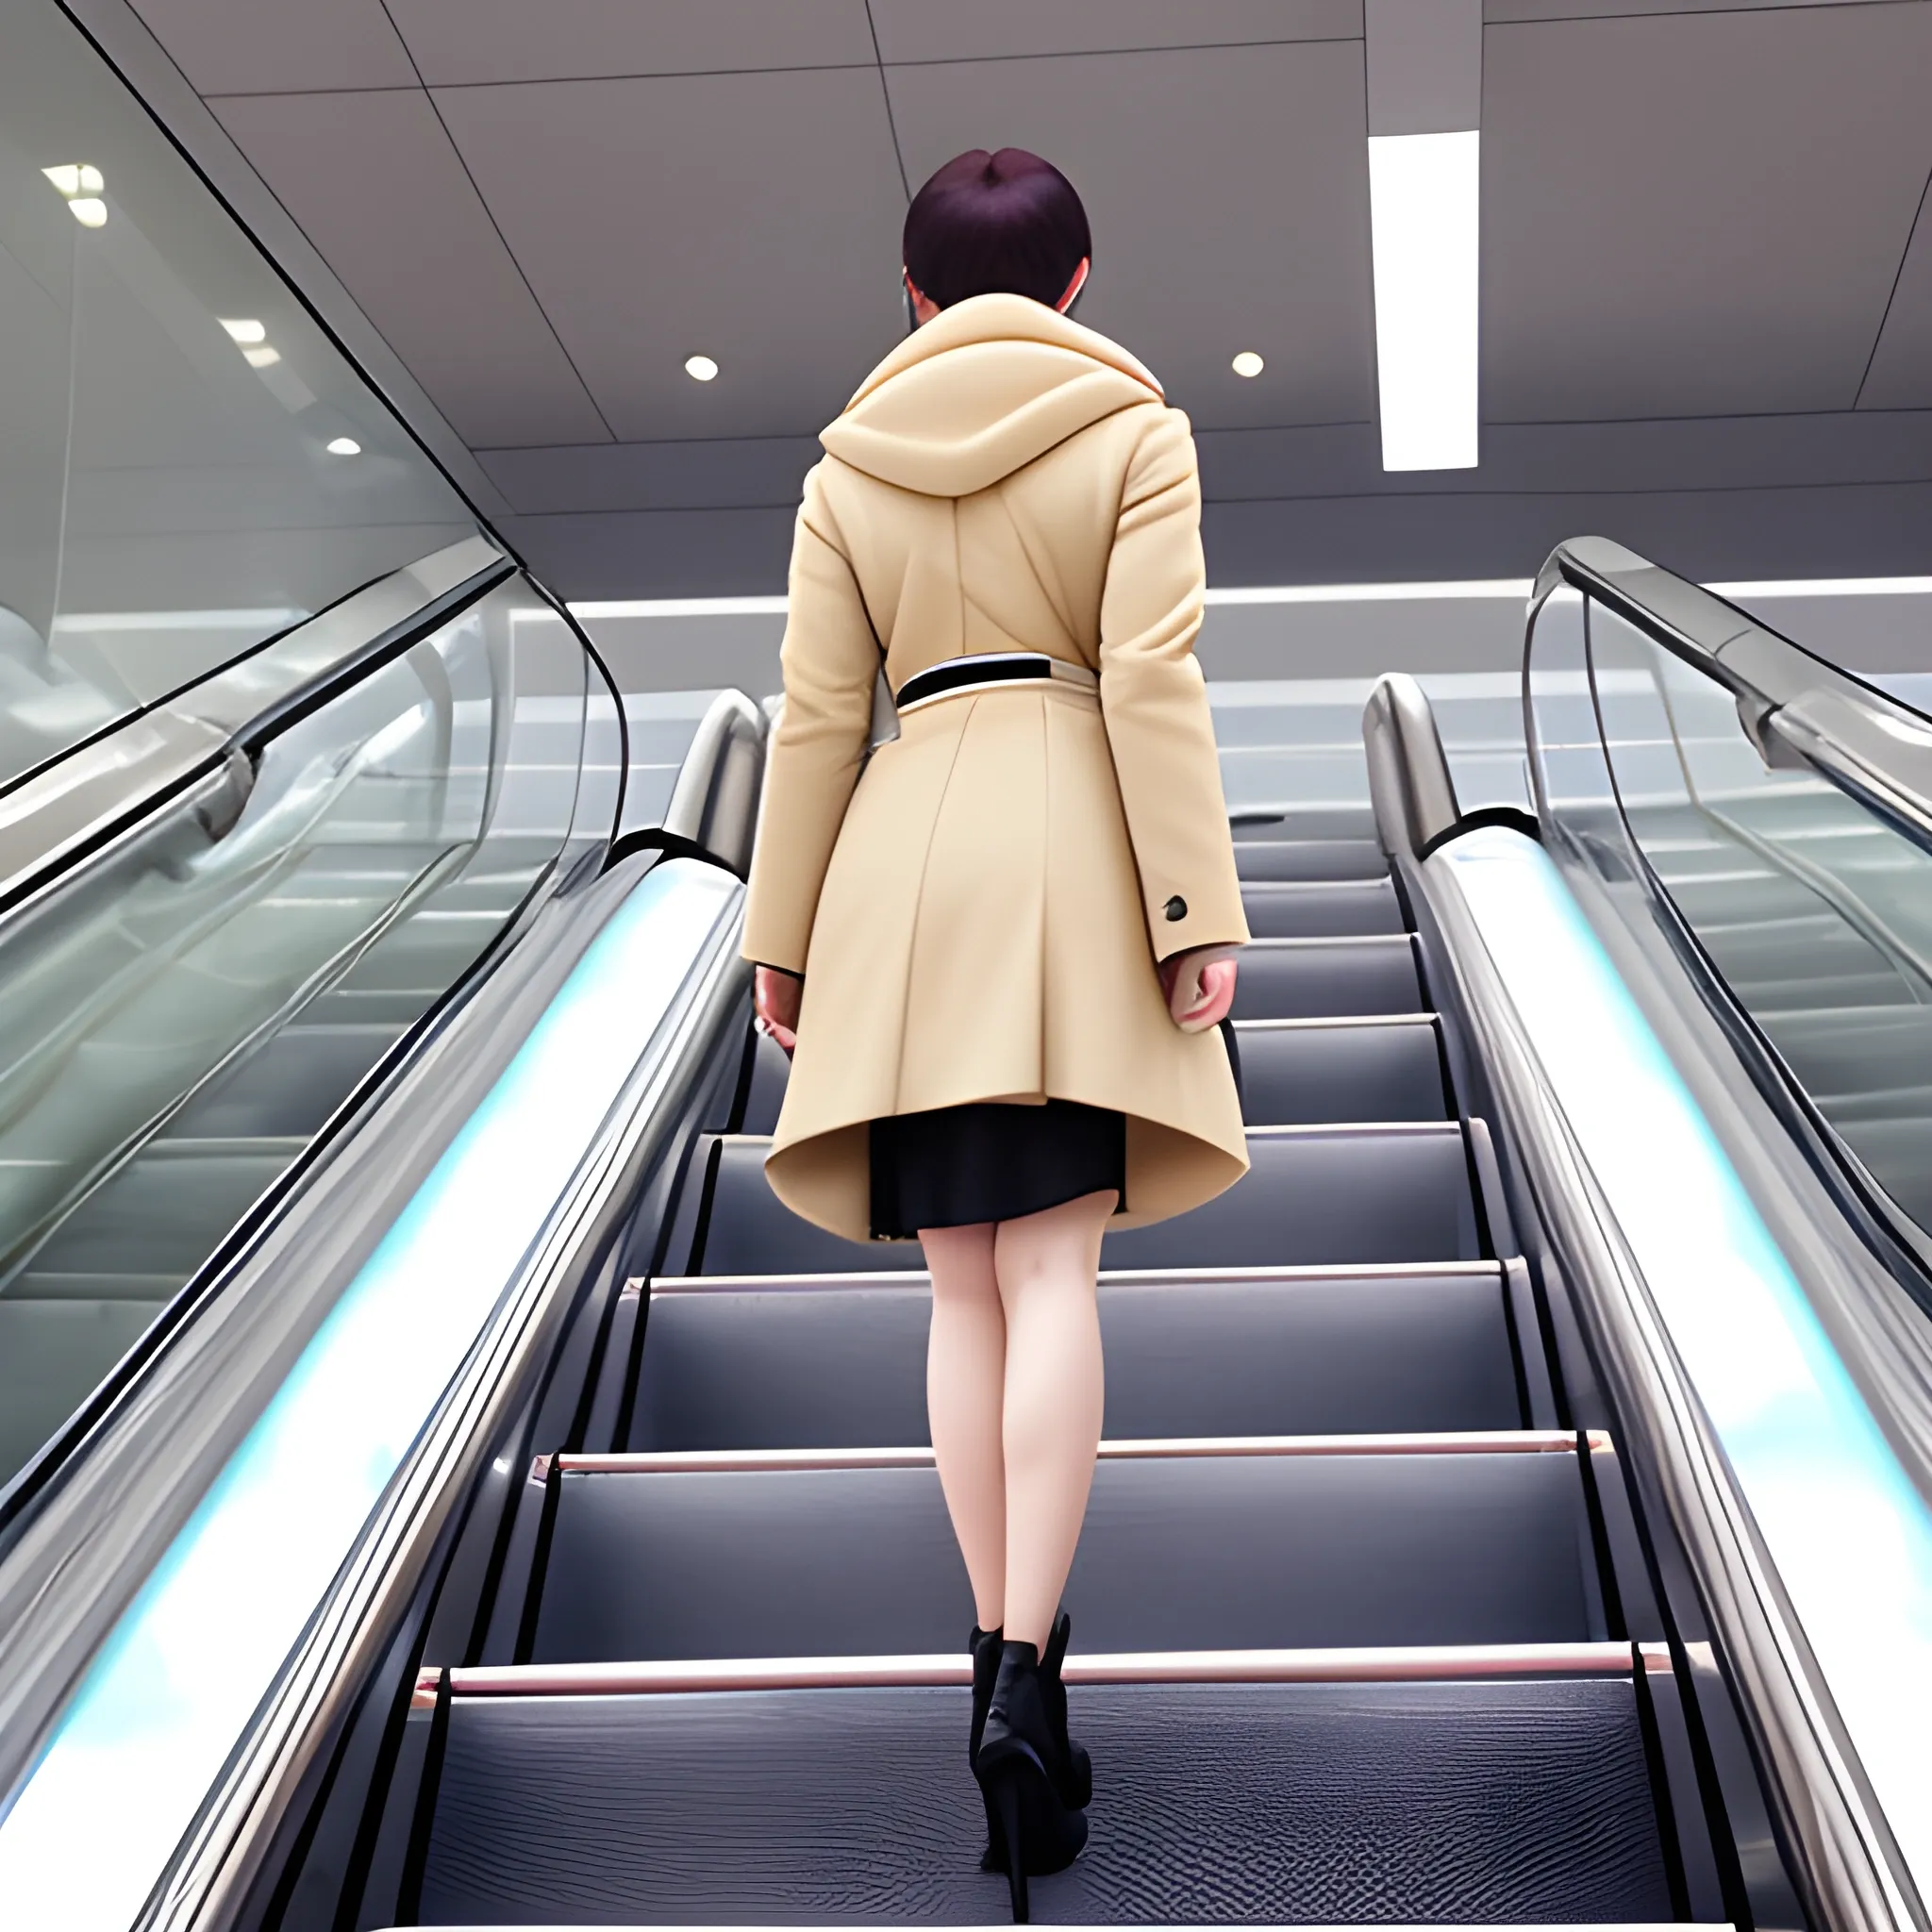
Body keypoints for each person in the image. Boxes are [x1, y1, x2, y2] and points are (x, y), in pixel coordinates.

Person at [743, 147, 1247, 1920]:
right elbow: (1156, 681)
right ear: (1081, 279)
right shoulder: (1135, 432)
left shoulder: (843, 469)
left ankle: (985, 1661)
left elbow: (817, 720)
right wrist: (1196, 914)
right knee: (1055, 1281)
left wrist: (781, 935)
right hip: (1069, 854)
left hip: (900, 859)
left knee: (957, 1288)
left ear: (909, 298)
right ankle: (1033, 1670)